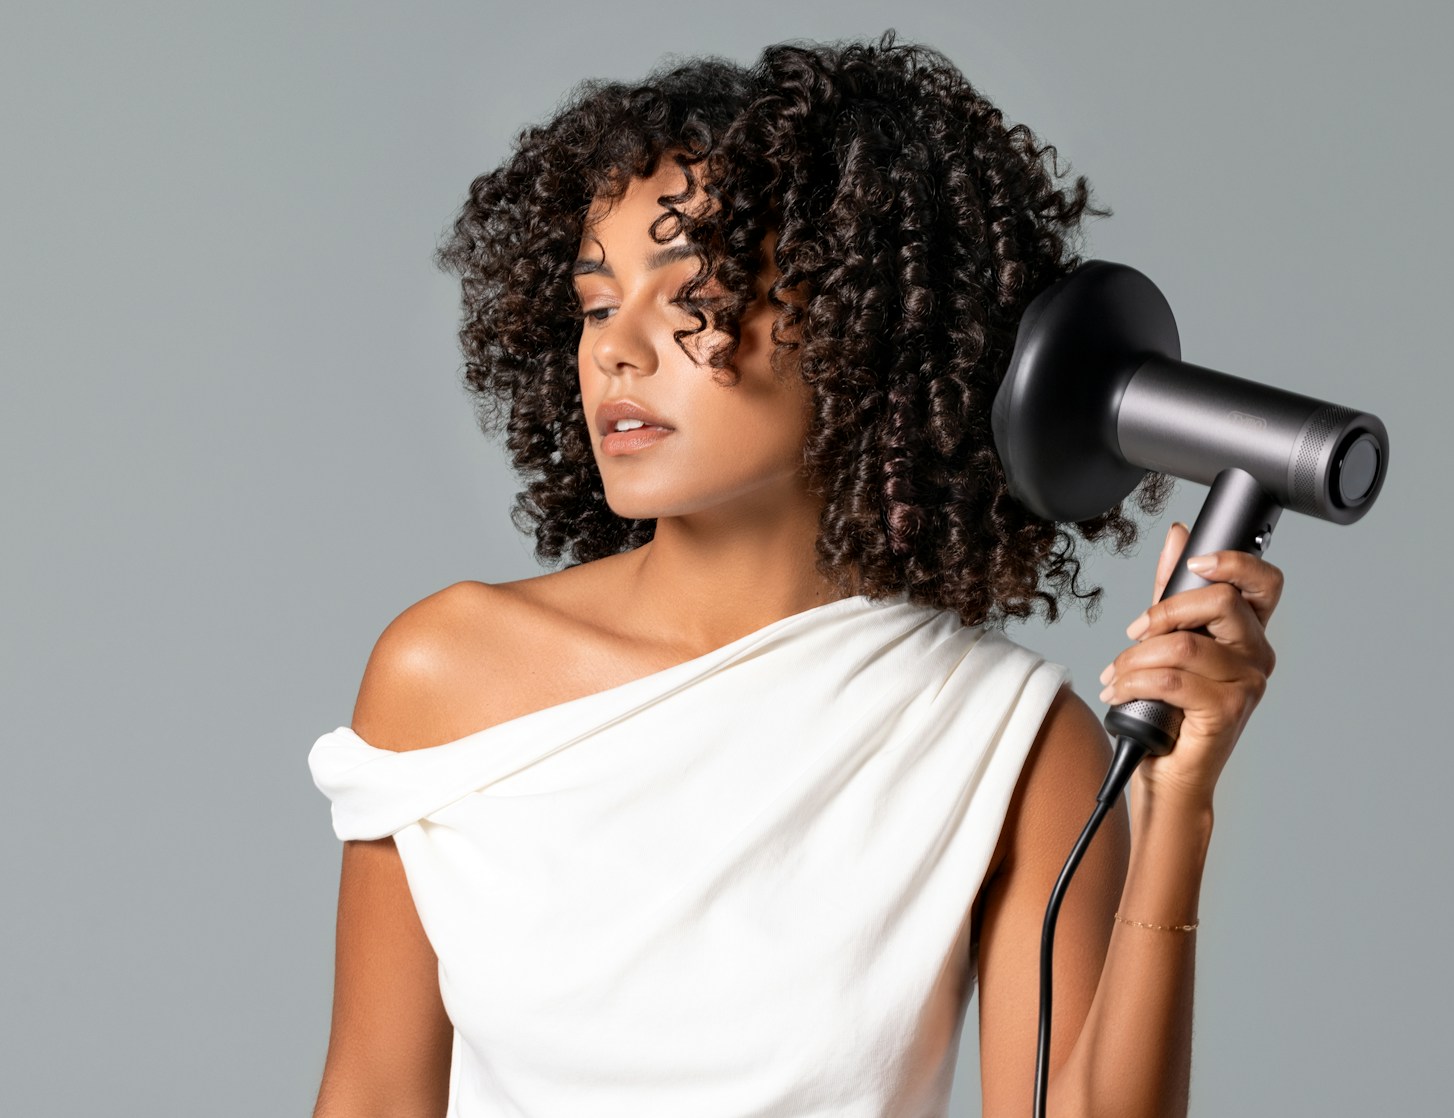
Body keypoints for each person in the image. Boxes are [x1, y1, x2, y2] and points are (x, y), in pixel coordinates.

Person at [308, 30, 1283, 1118]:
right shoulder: (445, 674)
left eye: (692, 297)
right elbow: (371, 1093)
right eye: (594, 304)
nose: (614, 350)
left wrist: (1174, 807)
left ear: (862, 325)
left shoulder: (1005, 743)